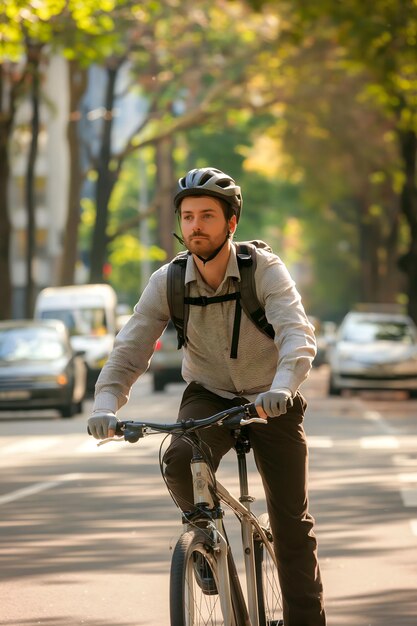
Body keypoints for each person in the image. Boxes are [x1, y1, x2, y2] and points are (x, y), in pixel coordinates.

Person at [88, 166, 326, 626]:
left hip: (271, 398)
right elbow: (131, 346)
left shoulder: (264, 271)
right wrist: (105, 402)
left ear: (231, 224)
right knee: (178, 457)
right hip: (211, 394)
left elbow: (296, 331)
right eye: (189, 216)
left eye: (208, 216)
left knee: (292, 527)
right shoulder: (168, 282)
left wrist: (283, 386)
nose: (196, 226)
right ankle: (205, 543)